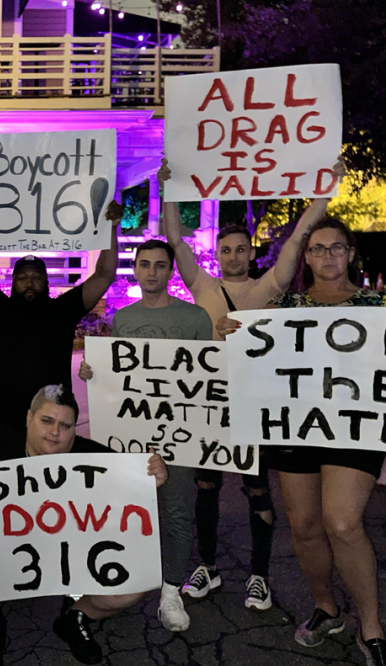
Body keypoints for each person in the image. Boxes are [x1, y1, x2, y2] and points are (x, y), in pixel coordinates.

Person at [162, 157, 340, 611]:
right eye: (227, 249)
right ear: (217, 254)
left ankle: (258, 575)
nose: (234, 255)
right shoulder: (201, 285)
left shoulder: (269, 287)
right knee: (206, 486)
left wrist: (325, 191)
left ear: (251, 253)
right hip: (207, 404)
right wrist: (168, 188)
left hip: (255, 407)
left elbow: (299, 236)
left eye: (242, 249)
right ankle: (207, 566)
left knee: (257, 490)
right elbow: (175, 241)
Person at [224, 217, 385, 665]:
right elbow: (257, 356)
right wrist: (231, 336)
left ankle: (371, 625)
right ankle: (327, 607)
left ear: (351, 253)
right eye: (317, 248)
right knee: (305, 526)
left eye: (337, 248)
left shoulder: (377, 306)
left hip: (354, 428)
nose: (327, 256)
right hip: (295, 426)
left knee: (342, 521)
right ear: (306, 256)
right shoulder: (285, 306)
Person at [0, 384, 168, 665]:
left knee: (133, 583)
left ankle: (77, 615)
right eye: (46, 421)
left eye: (65, 425)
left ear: (74, 429)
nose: (55, 432)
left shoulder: (97, 458)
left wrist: (152, 479)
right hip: (5, 562)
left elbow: (135, 493)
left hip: (74, 560)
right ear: (28, 419)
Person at [78, 238, 211, 635]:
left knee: (175, 513)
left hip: (180, 436)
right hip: (133, 436)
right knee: (127, 512)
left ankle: (170, 592)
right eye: (144, 264)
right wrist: (94, 373)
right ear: (134, 270)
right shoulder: (124, 320)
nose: (151, 272)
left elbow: (208, 378)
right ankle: (123, 582)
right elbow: (120, 379)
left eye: (159, 265)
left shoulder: (196, 318)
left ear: (171, 271)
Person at [0, 187, 122, 442]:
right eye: (22, 277)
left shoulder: (64, 309)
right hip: (8, 424)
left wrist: (111, 228)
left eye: (36, 277)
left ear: (46, 282)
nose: (29, 282)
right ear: (13, 282)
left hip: (55, 424)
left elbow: (104, 274)